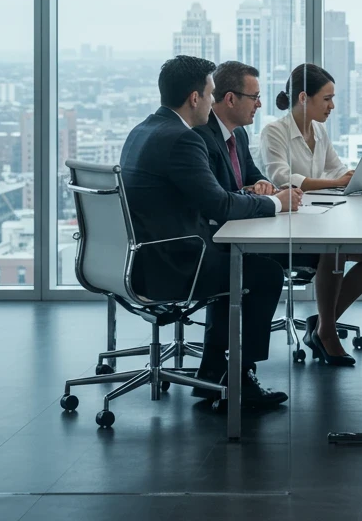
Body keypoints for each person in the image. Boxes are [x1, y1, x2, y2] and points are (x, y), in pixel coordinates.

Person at [120, 55, 302, 410]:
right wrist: (279, 203)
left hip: (140, 258)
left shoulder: (143, 129)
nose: (212, 99)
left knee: (241, 264)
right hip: (170, 265)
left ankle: (212, 374)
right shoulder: (183, 140)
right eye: (209, 92)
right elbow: (219, 204)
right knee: (263, 273)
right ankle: (239, 381)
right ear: (194, 98)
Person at [260, 63, 362, 366]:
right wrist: (336, 182)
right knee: (333, 251)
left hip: (318, 219)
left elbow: (334, 168)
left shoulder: (319, 130)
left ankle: (322, 322)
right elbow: (283, 179)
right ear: (304, 97)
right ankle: (326, 331)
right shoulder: (273, 132)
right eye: (327, 99)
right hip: (285, 227)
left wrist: (350, 176)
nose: (332, 106)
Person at [195, 60, 277, 197]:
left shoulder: (239, 132)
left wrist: (264, 184)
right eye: (254, 97)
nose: (259, 104)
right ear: (230, 99)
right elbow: (218, 197)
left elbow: (252, 174)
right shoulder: (201, 136)